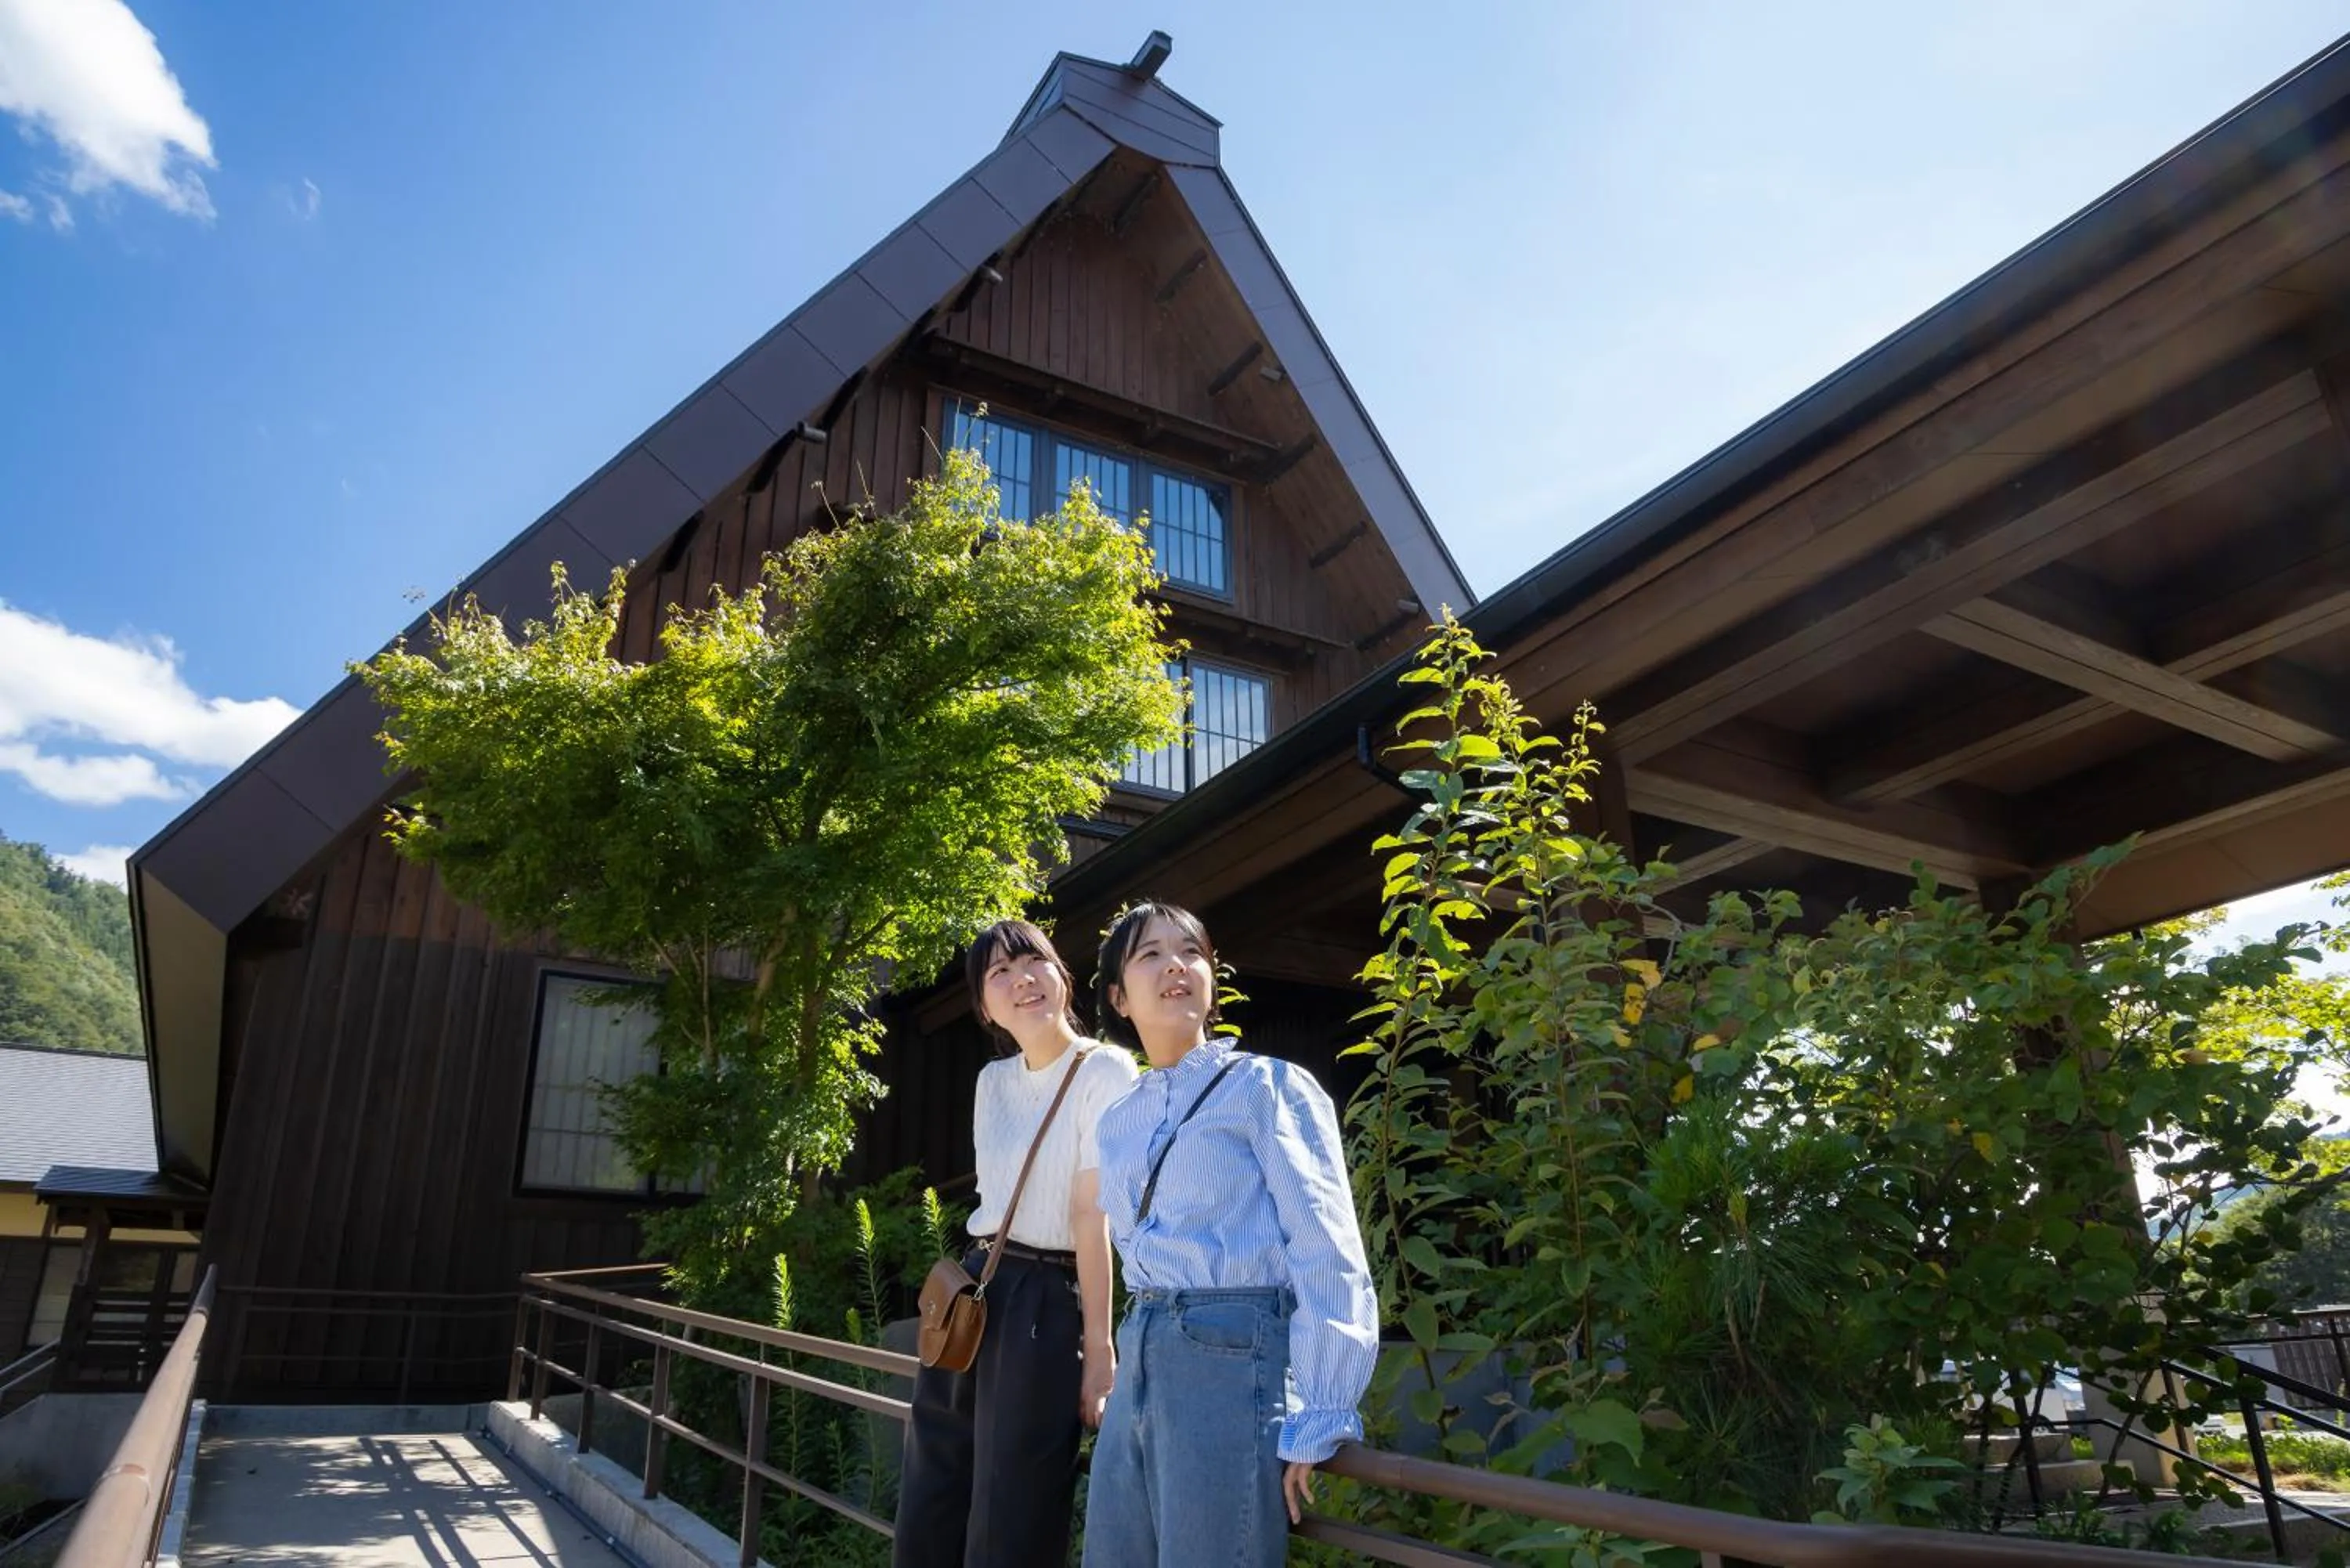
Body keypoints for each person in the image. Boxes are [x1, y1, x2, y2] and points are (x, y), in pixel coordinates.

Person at [1079, 901, 1379, 1568]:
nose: (1175, 965)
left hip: (1232, 1355)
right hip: (1141, 1353)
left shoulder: (1268, 1087)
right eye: (1149, 954)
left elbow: (1325, 1246)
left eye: (1190, 951)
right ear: (1119, 998)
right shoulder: (1119, 1120)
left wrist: (1321, 1410)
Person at [893, 918, 1139, 1568]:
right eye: (999, 973)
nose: (1021, 980)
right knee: (933, 1478)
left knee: (1014, 1501)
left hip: (1044, 1299)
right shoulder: (992, 1082)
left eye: (1033, 961)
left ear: (1062, 975)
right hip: (974, 1287)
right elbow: (995, 1201)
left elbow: (1093, 1217)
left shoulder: (1107, 1069)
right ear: (984, 1004)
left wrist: (1099, 1347)